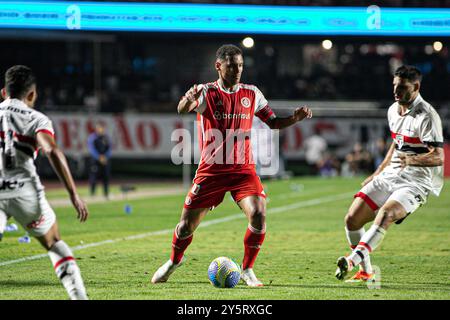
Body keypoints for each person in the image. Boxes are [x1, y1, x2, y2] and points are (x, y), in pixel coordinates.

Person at [151, 44, 312, 287]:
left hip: (242, 171)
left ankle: (247, 269)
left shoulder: (252, 93)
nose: (237, 70)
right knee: (185, 227)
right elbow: (183, 109)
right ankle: (174, 261)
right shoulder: (206, 92)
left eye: (240, 66)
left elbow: (274, 123)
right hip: (212, 170)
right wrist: (187, 100)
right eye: (231, 66)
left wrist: (294, 118)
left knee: (258, 214)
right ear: (218, 66)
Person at [335, 65, 444, 282]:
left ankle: (352, 260)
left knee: (386, 215)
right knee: (352, 220)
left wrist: (412, 160)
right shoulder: (393, 110)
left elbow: (439, 156)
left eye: (402, 87)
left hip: (416, 181)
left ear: (416, 87)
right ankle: (366, 271)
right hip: (390, 174)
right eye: (395, 86)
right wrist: (378, 171)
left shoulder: (427, 116)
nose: (396, 91)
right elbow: (396, 143)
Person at [0, 65, 89, 299]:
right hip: (25, 192)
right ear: (31, 94)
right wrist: (73, 194)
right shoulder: (36, 118)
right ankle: (79, 296)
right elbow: (53, 151)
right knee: (54, 242)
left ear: (3, 92)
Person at [87, 122, 111, 199]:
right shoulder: (92, 138)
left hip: (105, 161)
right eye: (98, 128)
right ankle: (92, 194)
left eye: (101, 128)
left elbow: (109, 149)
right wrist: (99, 157)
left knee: (106, 177)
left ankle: (106, 193)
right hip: (95, 161)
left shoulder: (106, 138)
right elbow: (91, 149)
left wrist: (105, 157)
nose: (100, 130)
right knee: (94, 177)